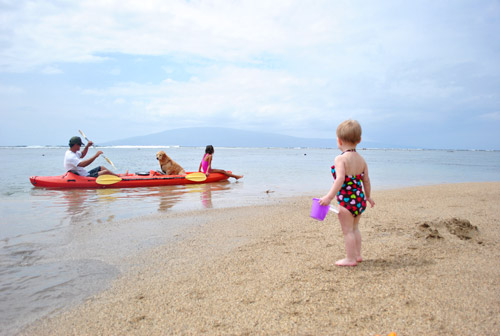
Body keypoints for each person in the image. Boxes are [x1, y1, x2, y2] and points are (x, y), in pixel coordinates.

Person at [319, 120, 375, 266]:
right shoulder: (362, 160)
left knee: (347, 231)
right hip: (359, 200)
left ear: (339, 140)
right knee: (355, 228)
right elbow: (366, 180)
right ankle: (358, 255)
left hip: (346, 201)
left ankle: (350, 259)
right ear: (359, 140)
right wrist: (368, 197)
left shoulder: (340, 159)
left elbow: (340, 179)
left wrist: (329, 197)